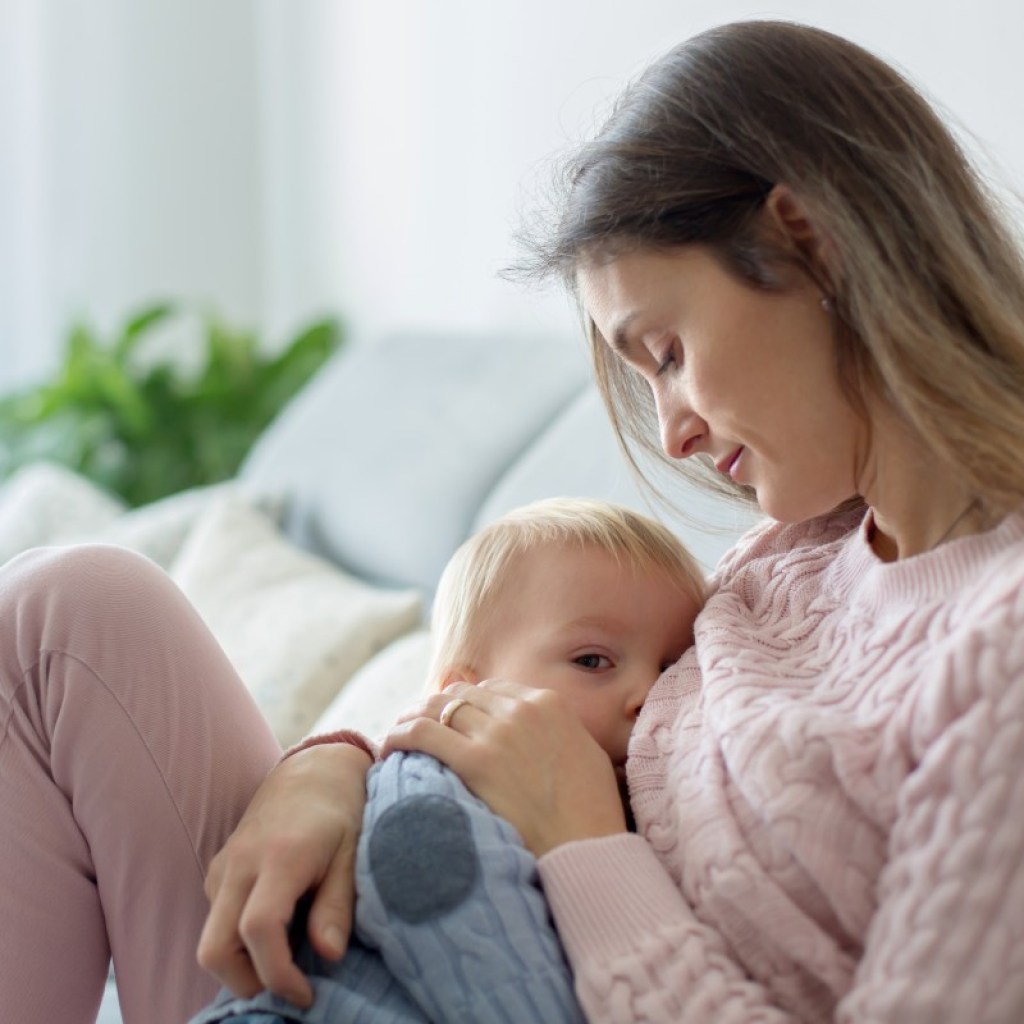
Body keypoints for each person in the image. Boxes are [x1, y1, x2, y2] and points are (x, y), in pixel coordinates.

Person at [2, 18, 1024, 1024]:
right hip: (385, 958)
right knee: (70, 611)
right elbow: (532, 684)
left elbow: (567, 793)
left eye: (667, 353)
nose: (673, 435)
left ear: (810, 243)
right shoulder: (794, 556)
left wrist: (581, 846)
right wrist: (336, 765)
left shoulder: (998, 644)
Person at [187, 497, 705, 1023]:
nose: (648, 694)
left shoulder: (652, 819)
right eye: (592, 660)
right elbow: (448, 923)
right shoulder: (434, 781)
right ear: (464, 693)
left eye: (673, 669)